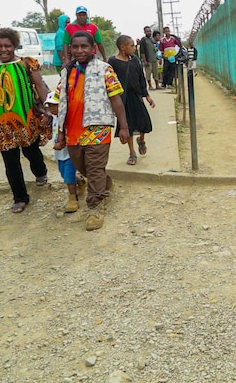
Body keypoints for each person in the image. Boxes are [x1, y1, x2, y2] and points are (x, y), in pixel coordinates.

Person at [53, 31, 129, 231]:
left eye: (84, 46)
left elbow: (116, 99)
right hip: (73, 131)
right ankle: (106, 183)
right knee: (82, 166)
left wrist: (124, 126)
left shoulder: (105, 69)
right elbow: (61, 102)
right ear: (70, 49)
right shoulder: (66, 72)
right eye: (75, 47)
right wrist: (60, 132)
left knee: (94, 169)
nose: (80, 50)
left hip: (98, 128)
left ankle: (96, 207)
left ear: (92, 48)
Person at [0, 28, 51, 214]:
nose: (3, 49)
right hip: (1, 124)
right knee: (10, 161)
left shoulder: (26, 63)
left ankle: (40, 172)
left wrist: (47, 109)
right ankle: (20, 197)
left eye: (7, 45)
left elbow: (39, 86)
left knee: (31, 151)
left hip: (25, 120)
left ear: (14, 46)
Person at [108, 35, 155, 165]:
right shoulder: (113, 62)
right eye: (132, 46)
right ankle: (132, 153)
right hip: (123, 100)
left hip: (136, 97)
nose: (134, 48)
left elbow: (141, 78)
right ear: (123, 48)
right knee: (127, 125)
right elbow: (109, 82)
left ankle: (141, 139)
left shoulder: (135, 60)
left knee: (143, 123)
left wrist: (147, 96)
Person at [44, 93, 84, 213]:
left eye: (54, 106)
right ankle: (80, 181)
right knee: (63, 173)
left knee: (67, 176)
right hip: (60, 154)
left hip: (69, 153)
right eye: (50, 106)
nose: (52, 109)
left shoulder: (67, 118)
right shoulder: (55, 118)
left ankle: (73, 198)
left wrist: (60, 144)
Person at [138, 26, 159, 90]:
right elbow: (142, 51)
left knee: (156, 73)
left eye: (150, 31)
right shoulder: (143, 40)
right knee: (148, 74)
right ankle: (150, 86)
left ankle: (157, 85)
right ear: (144, 32)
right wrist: (144, 61)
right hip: (148, 60)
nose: (149, 32)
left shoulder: (152, 39)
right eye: (147, 31)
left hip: (154, 59)